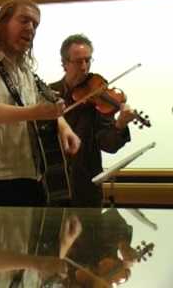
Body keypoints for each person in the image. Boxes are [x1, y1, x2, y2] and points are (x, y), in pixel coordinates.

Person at [0, 0, 81, 206]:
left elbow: (46, 106)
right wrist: (37, 112)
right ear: (2, 23)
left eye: (35, 24)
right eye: (24, 20)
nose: (30, 28)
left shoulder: (25, 71)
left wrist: (64, 127)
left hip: (30, 174)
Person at [50, 34, 136, 207]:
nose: (84, 67)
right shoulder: (49, 94)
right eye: (78, 61)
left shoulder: (98, 98)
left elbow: (107, 144)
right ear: (64, 63)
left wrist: (119, 124)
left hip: (85, 188)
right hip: (53, 183)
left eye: (88, 60)